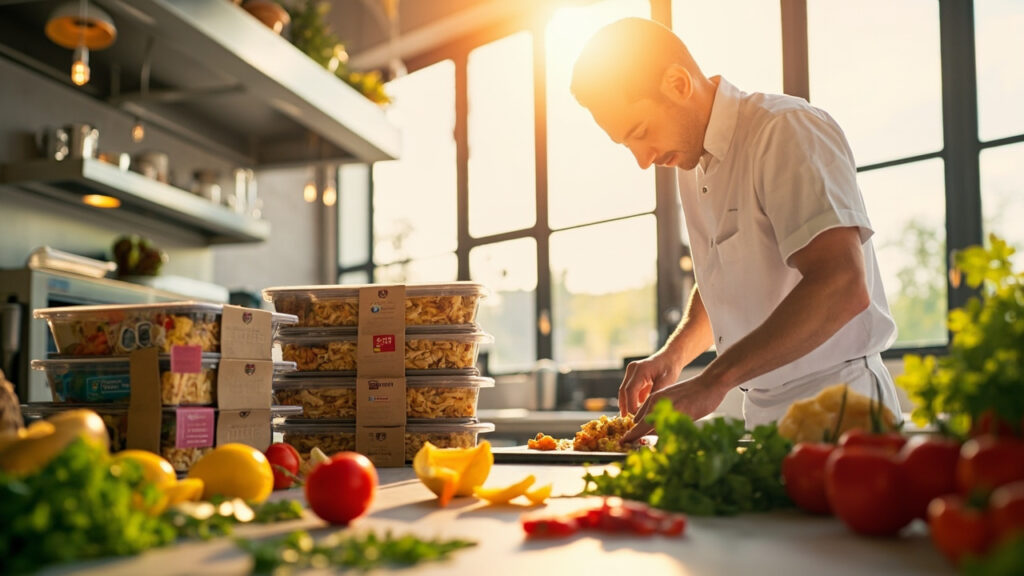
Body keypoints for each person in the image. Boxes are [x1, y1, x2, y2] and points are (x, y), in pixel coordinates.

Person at [569, 17, 901, 442]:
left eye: (640, 132)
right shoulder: (691, 162)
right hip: (763, 411)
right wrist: (675, 355)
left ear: (677, 83)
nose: (642, 158)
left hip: (842, 404)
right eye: (627, 144)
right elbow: (726, 276)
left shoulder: (784, 131)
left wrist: (714, 380)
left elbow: (842, 284)